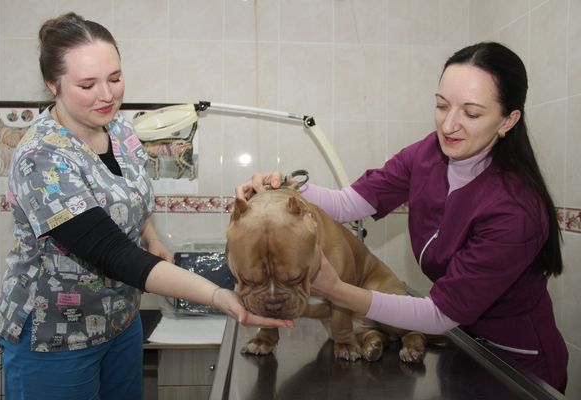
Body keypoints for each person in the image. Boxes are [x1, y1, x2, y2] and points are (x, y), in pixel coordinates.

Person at [0, 12, 293, 400]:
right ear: (53, 84)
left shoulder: (119, 130)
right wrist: (219, 296)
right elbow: (112, 252)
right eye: (87, 85)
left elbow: (129, 195)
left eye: (115, 78)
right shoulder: (42, 157)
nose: (107, 95)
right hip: (54, 337)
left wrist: (151, 237)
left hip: (120, 321)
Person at [236, 42, 568, 393]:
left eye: (471, 113)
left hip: (514, 364)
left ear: (508, 120)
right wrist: (283, 188)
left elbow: (439, 314)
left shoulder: (515, 209)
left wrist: (337, 290)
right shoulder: (427, 154)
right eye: (441, 105)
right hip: (462, 346)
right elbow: (349, 203)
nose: (449, 125)